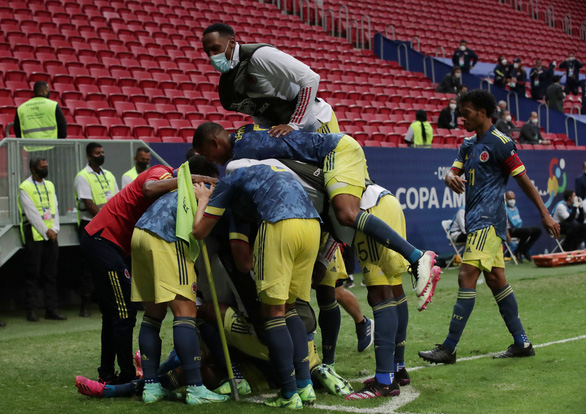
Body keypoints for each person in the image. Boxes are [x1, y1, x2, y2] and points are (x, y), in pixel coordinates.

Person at [193, 122, 441, 300]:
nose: (213, 161)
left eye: (208, 155)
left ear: (215, 142)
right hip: (322, 162)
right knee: (337, 217)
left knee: (346, 213)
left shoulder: (240, 157)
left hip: (335, 149)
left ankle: (417, 257)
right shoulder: (245, 135)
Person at [418, 89, 560, 365]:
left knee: (465, 275)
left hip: (489, 222)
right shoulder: (468, 145)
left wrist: (545, 214)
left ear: (483, 112)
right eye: (460, 113)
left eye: (466, 113)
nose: (462, 118)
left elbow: (524, 181)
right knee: (496, 281)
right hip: (475, 221)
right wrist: (449, 177)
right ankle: (522, 342)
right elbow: (453, 171)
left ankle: (448, 347)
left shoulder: (501, 143)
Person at [192, 163, 322, 408]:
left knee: (272, 312)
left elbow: (199, 231)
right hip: (312, 225)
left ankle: (288, 394)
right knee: (291, 306)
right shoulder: (275, 172)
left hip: (281, 225)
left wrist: (203, 198)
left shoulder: (231, 181)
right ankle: (305, 386)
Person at [79, 160, 216, 385]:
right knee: (124, 312)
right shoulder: (161, 171)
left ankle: (107, 372)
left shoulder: (172, 186)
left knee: (114, 314)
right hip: (103, 239)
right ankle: (126, 376)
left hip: (111, 242)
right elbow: (149, 188)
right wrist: (190, 180)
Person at [130, 155, 228, 404]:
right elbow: (197, 229)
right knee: (185, 313)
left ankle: (151, 388)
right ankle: (196, 389)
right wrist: (205, 199)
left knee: (153, 315)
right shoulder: (198, 193)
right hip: (167, 240)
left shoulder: (172, 191)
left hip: (140, 235)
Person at [202, 22, 338, 136]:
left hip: (315, 122)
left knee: (331, 167)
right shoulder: (231, 79)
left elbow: (310, 78)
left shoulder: (259, 55)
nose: (212, 56)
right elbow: (257, 110)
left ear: (231, 43)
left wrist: (295, 124)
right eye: (208, 52)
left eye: (216, 49)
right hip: (286, 130)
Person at [17, 157, 66, 322]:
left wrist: (55, 229)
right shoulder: (25, 187)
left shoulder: (50, 185)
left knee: (51, 274)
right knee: (33, 274)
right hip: (35, 235)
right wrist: (47, 231)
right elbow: (31, 214)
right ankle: (31, 310)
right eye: (42, 167)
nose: (45, 169)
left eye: (46, 166)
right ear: (33, 169)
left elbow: (55, 208)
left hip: (52, 235)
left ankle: (51, 309)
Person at [74, 142, 119, 317]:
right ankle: (84, 305)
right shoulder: (83, 176)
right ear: (89, 155)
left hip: (108, 224)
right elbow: (89, 203)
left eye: (102, 152)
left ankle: (107, 302)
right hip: (90, 225)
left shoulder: (109, 175)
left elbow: (116, 198)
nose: (101, 155)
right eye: (97, 153)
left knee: (108, 264)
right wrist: (105, 217)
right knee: (87, 266)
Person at [14, 81, 67, 148]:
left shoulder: (21, 108)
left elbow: (17, 130)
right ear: (44, 91)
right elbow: (62, 127)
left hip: (31, 148)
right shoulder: (53, 105)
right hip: (52, 147)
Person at [505, 191, 542, 262]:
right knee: (527, 231)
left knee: (538, 231)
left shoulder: (515, 209)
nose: (512, 200)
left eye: (513, 198)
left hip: (518, 229)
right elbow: (504, 226)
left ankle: (526, 249)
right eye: (510, 198)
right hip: (509, 231)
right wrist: (509, 240)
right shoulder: (504, 210)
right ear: (505, 199)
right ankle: (519, 251)